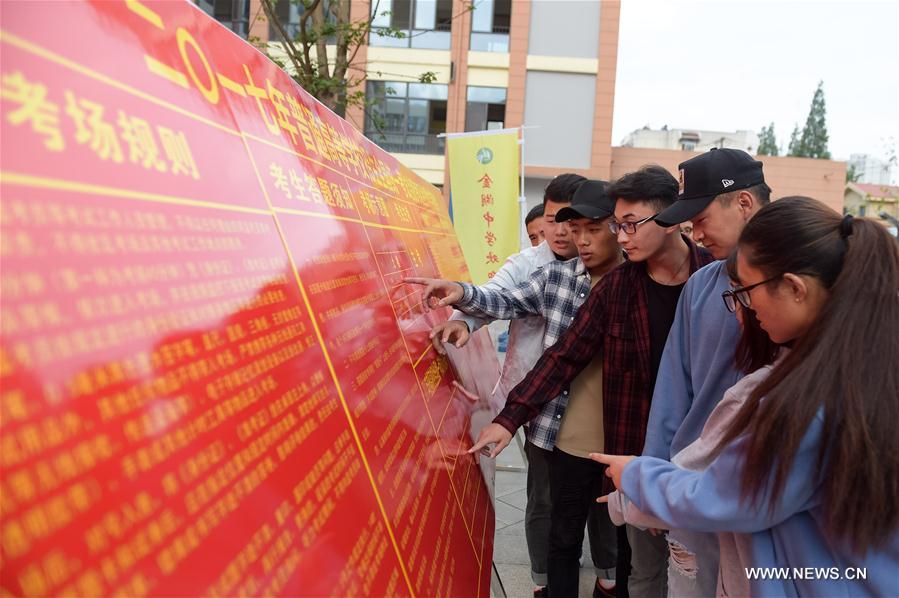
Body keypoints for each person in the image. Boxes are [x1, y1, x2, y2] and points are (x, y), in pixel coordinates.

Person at [591, 196, 899, 596]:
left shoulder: (799, 404)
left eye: (748, 289)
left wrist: (634, 475)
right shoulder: (873, 372)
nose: (747, 306)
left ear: (794, 288)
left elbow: (720, 496)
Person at [467, 165, 714, 597]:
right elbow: (563, 356)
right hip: (628, 449)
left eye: (629, 225)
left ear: (672, 218)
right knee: (632, 563)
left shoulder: (714, 278)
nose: (621, 236)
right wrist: (509, 420)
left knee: (692, 566)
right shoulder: (615, 289)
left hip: (695, 454)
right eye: (617, 226)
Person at [408, 180, 624, 597]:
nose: (575, 238)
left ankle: (609, 578)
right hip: (551, 420)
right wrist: (462, 296)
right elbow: (503, 298)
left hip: (620, 430)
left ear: (617, 227)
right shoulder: (551, 275)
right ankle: (547, 582)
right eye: (565, 224)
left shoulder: (636, 281)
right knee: (556, 517)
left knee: (614, 518)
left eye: (589, 229)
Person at [603, 252, 780, 597]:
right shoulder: (700, 284)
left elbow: (722, 495)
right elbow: (674, 383)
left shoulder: (765, 394)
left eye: (743, 294)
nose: (741, 309)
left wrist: (639, 485)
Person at [638, 148, 772, 596]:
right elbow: (674, 388)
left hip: (765, 499)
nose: (695, 233)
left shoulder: (805, 288)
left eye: (701, 217)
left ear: (744, 203)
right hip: (693, 490)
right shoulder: (701, 285)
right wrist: (658, 476)